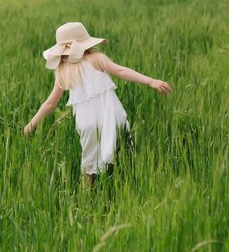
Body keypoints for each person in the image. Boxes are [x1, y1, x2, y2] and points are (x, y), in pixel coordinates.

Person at [23, 22, 172, 186]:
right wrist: (151, 81)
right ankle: (130, 180)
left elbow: (50, 104)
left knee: (89, 162)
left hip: (86, 122)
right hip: (112, 116)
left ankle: (87, 196)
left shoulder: (63, 70)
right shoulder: (97, 58)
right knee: (124, 149)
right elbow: (121, 71)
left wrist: (31, 125)